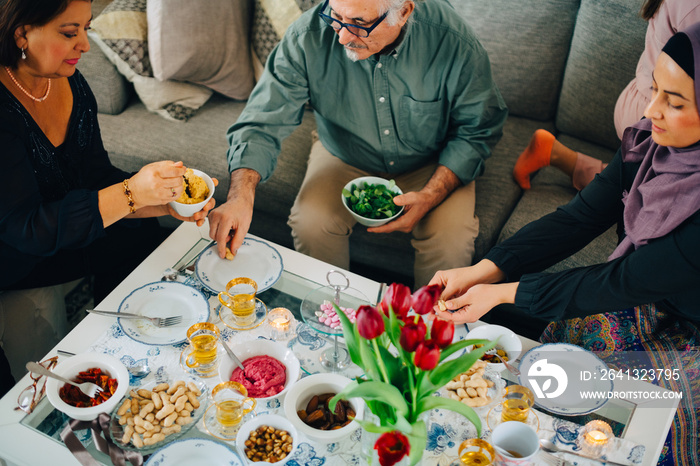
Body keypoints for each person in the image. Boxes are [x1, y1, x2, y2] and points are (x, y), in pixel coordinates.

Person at [430, 23, 700, 466]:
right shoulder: (649, 145)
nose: (651, 110)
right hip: (646, 294)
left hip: (689, 323)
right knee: (560, 361)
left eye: (674, 102)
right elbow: (580, 217)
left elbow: (624, 281)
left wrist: (501, 294)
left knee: (633, 411)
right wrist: (485, 270)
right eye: (654, 90)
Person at [208, 0, 508, 288]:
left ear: (403, 12)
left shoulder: (452, 39)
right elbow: (262, 120)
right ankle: (329, 324)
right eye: (336, 16)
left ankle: (429, 335)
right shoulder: (307, 35)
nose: (343, 36)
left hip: (433, 160)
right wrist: (240, 196)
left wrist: (430, 195)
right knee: (310, 223)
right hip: (344, 152)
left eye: (360, 23)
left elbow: (477, 129)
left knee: (451, 240)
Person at [0, 0, 216, 395]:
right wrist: (133, 193)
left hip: (67, 226)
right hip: (19, 253)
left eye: (86, 27)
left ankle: (130, 342)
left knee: (140, 229)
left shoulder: (69, 81)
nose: (85, 43)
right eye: (69, 33)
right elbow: (26, 229)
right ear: (21, 34)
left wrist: (164, 201)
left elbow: (96, 175)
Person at [512, 0, 700, 191]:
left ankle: (555, 153)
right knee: (649, 194)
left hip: (647, 99)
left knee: (633, 184)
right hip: (652, 113)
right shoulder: (692, 7)